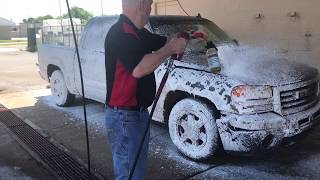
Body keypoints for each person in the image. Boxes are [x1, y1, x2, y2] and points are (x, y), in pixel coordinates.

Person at [104, 0, 187, 179]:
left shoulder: (139, 33)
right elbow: (139, 69)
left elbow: (164, 42)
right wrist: (171, 48)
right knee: (129, 172)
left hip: (137, 114)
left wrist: (187, 37)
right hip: (124, 118)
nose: (150, 10)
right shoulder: (120, 33)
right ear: (140, 5)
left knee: (136, 169)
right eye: (149, 5)